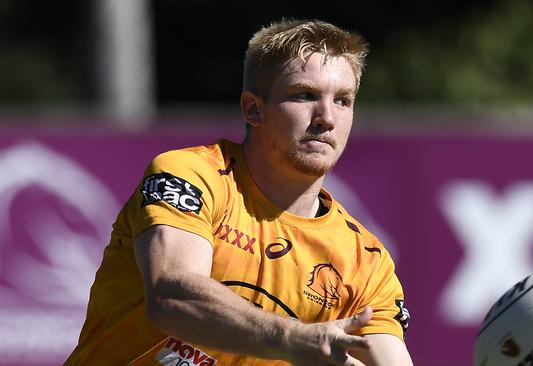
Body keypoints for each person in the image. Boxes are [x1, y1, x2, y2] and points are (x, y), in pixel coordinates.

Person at [65, 19, 413, 366]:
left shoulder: (367, 260)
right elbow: (174, 296)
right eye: (305, 95)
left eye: (342, 100)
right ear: (253, 108)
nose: (326, 117)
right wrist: (296, 338)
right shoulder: (192, 174)